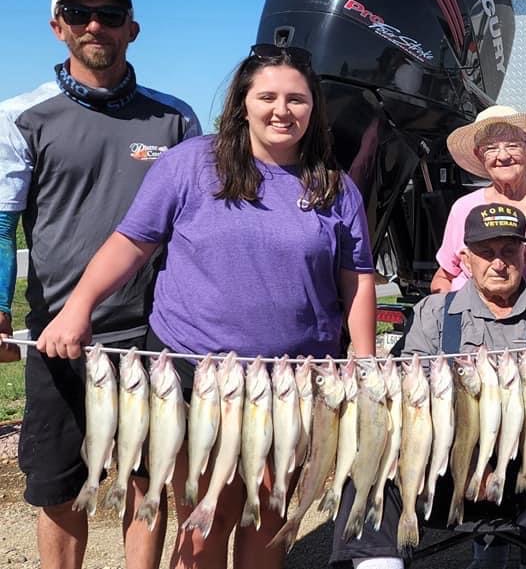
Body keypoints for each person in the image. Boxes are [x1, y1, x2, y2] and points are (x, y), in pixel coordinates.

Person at [36, 44, 377, 569]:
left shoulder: (335, 187)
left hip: (293, 379)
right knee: (207, 514)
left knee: (269, 513)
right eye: (267, 96)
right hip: (196, 375)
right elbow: (132, 242)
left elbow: (356, 278)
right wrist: (78, 306)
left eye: (296, 99)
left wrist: (364, 352)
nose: (281, 110)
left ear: (314, 109)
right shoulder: (192, 163)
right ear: (243, 102)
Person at [0, 0, 199, 569]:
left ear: (131, 29)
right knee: (59, 490)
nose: (95, 25)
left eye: (109, 15)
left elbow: (203, 224)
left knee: (148, 478)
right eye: (81, 14)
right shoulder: (21, 115)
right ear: (58, 26)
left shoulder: (176, 119)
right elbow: (2, 224)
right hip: (61, 335)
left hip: (157, 334)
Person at [330, 203, 526, 569]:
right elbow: (406, 390)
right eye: (486, 252)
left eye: (509, 251)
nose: (499, 262)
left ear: (525, 255)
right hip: (445, 462)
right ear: (465, 259)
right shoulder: (434, 311)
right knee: (371, 457)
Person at [432, 105, 526, 295]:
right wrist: (450, 317)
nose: (503, 156)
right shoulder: (464, 208)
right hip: (472, 322)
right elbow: (444, 277)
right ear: (479, 156)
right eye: (491, 148)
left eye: (513, 145)